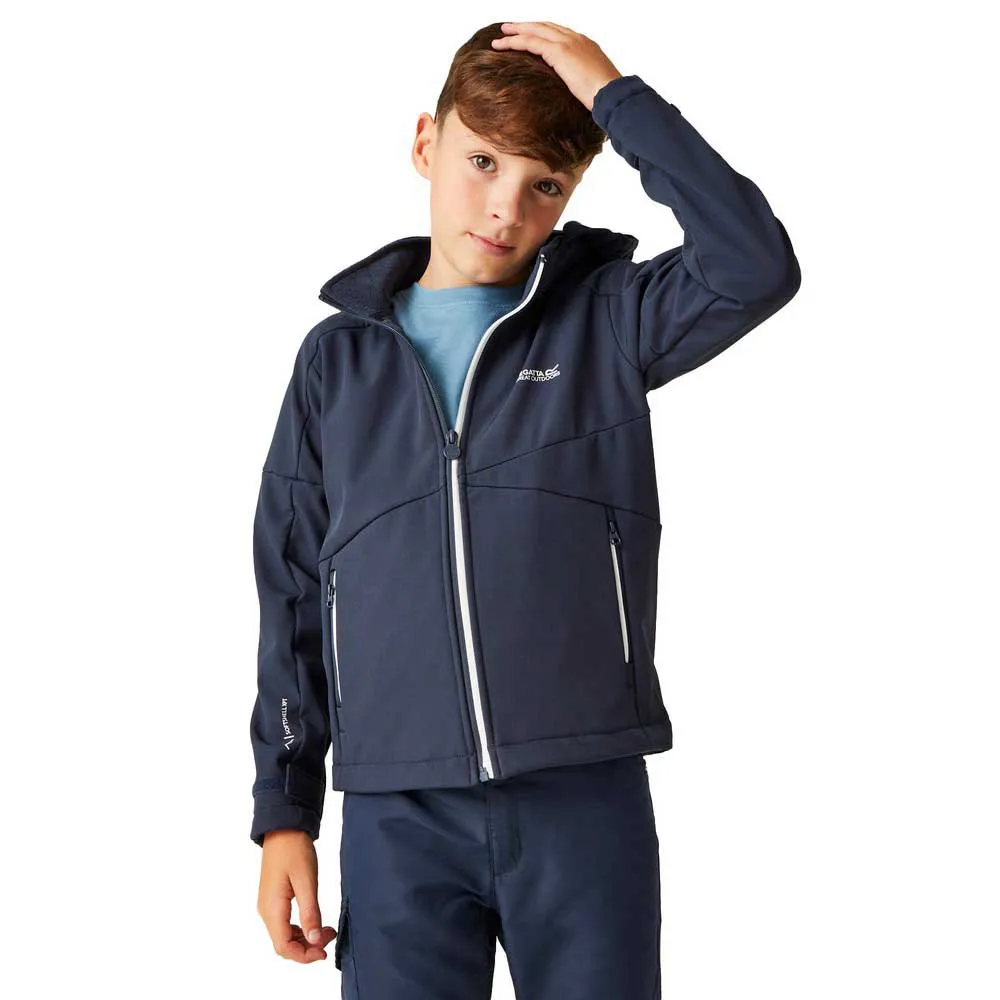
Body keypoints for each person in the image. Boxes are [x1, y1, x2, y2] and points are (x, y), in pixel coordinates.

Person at [249, 19, 800, 999]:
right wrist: (284, 812)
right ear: (426, 143)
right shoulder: (338, 362)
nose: (505, 206)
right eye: (482, 162)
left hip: (580, 793)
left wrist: (616, 98)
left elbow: (754, 264)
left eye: (545, 183)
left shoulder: (608, 322)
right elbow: (291, 587)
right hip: (397, 809)